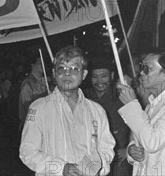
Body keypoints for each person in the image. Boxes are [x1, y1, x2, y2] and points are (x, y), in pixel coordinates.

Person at [20, 45, 115, 176]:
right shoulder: (39, 108)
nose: (67, 73)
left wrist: (95, 168)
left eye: (75, 69)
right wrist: (60, 168)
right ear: (54, 73)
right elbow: (27, 151)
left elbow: (106, 148)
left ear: (84, 74)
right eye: (61, 68)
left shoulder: (97, 111)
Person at [117, 51, 165, 176]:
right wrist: (132, 150)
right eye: (142, 67)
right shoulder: (152, 105)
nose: (141, 73)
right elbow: (140, 137)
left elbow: (153, 142)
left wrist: (131, 104)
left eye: (148, 69)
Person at [83, 57, 130, 176]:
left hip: (119, 158)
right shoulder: (84, 97)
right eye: (95, 76)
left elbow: (136, 126)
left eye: (104, 76)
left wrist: (127, 149)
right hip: (93, 158)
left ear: (112, 75)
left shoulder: (122, 96)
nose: (99, 81)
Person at [18, 58, 49, 128]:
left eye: (43, 63)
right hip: (32, 126)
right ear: (32, 65)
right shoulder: (28, 83)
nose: (42, 65)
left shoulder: (46, 83)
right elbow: (26, 106)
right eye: (39, 63)